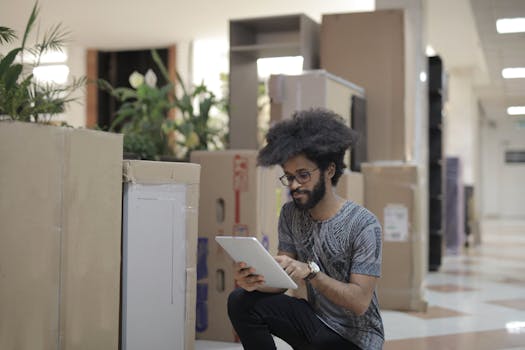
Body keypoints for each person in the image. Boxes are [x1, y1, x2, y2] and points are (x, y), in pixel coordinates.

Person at [227, 108, 384, 350]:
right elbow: (282, 280)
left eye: (303, 175)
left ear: (329, 170)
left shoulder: (364, 224)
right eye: (288, 176)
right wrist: (255, 281)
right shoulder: (291, 214)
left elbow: (360, 301)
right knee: (240, 301)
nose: (294, 185)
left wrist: (311, 273)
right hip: (316, 322)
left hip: (356, 339)